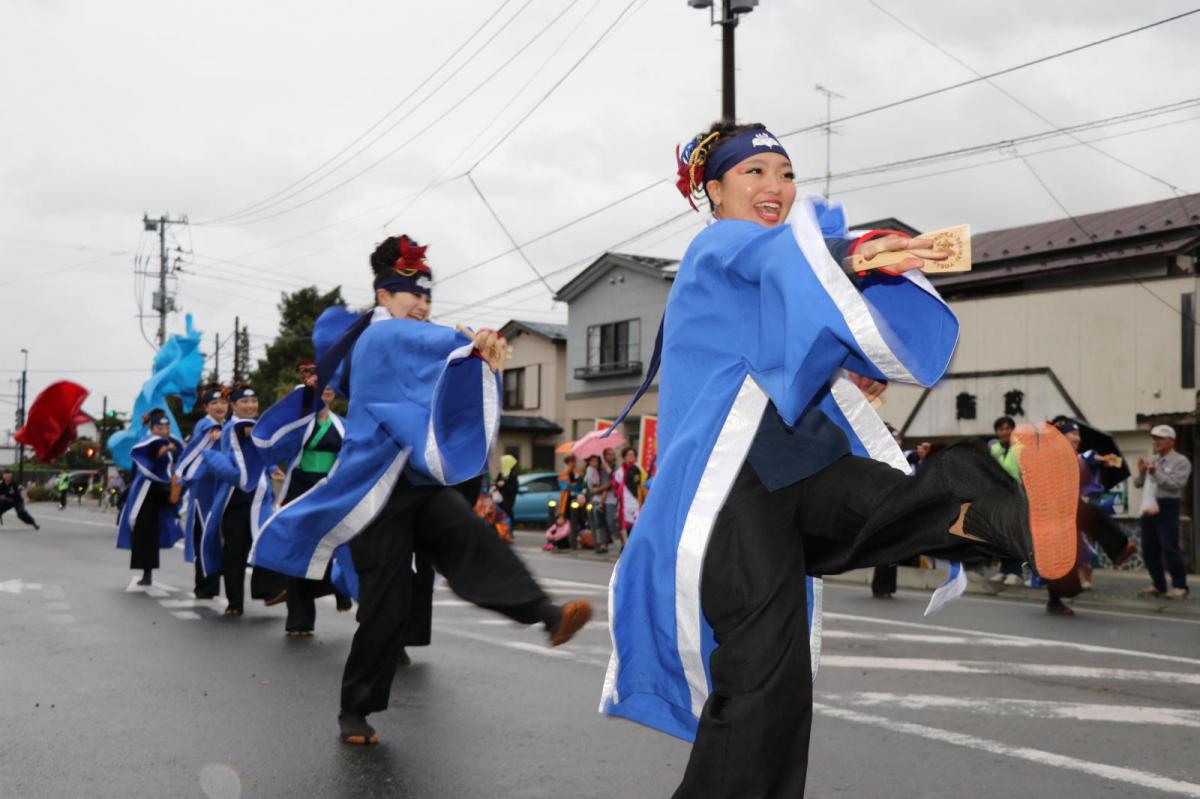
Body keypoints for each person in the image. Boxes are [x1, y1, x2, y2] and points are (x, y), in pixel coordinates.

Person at [601, 121, 1080, 798]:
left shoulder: (768, 262)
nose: (776, 187)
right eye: (756, 172)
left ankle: (1014, 519)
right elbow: (785, 264)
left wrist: (850, 357)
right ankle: (1006, 518)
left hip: (803, 464)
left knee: (900, 501)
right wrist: (852, 255)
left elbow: (799, 325)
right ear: (713, 190)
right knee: (766, 680)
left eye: (786, 173)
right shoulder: (718, 247)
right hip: (733, 495)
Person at [248, 234, 591, 746]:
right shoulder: (379, 339)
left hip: (418, 484)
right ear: (383, 296)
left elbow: (443, 374)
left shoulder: (416, 338)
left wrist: (467, 351)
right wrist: (469, 341)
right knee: (388, 606)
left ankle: (546, 614)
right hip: (373, 493)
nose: (422, 304)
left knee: (472, 541)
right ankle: (355, 711)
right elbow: (427, 345)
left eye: (428, 296)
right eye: (412, 294)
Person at [266, 369, 355, 637]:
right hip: (299, 490)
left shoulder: (345, 425)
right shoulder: (298, 423)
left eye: (330, 385)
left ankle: (337, 585)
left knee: (334, 547)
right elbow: (276, 447)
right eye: (320, 385)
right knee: (298, 553)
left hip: (331, 490)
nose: (327, 389)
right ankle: (299, 620)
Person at [199, 384, 286, 616]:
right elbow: (248, 432)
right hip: (235, 498)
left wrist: (273, 467)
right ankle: (235, 601)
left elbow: (262, 453)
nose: (250, 406)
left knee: (264, 538)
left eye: (254, 401)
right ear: (234, 406)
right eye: (244, 402)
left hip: (260, 497)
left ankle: (267, 590)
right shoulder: (234, 427)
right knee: (235, 552)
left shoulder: (256, 427)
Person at [115, 410, 184, 585]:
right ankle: (147, 572)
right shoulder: (149, 442)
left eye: (166, 427)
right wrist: (165, 449)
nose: (163, 430)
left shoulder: (171, 442)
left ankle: (149, 569)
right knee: (146, 531)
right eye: (159, 427)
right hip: (146, 491)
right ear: (152, 429)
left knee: (164, 523)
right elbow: (155, 453)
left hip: (163, 489)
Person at [176, 385, 228, 599]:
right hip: (204, 489)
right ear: (206, 407)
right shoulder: (205, 425)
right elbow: (197, 455)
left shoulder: (229, 426)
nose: (219, 407)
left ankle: (212, 583)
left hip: (223, 487)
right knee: (205, 535)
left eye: (223, 403)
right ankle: (204, 584)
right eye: (214, 403)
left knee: (218, 537)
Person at [1134, 424, 1191, 599]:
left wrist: (1155, 473)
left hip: (1167, 505)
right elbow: (1138, 484)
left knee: (1170, 547)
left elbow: (1176, 485)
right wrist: (1142, 473)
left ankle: (1180, 586)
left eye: (1160, 439)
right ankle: (1158, 584)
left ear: (1171, 441)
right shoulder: (1154, 459)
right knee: (1149, 549)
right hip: (1148, 504)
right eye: (1154, 439)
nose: (1156, 442)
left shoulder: (1181, 461)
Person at [988, 415, 1025, 586]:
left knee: (1014, 535)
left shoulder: (1021, 448)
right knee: (1000, 535)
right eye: (1001, 429)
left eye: (1008, 428)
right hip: (997, 496)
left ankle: (1015, 571)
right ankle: (1003, 570)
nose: (1005, 431)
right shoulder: (993, 448)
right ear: (997, 432)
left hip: (1016, 495)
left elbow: (1016, 470)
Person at [584, 454, 614, 554]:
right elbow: (593, 488)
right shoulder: (590, 470)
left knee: (603, 522)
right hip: (596, 499)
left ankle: (603, 542)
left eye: (596, 461)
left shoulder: (598, 470)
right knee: (598, 522)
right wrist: (603, 488)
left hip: (601, 498)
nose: (595, 463)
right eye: (593, 461)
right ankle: (600, 543)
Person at [611, 446, 642, 538]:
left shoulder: (638, 469)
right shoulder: (619, 472)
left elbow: (641, 485)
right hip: (624, 501)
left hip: (636, 500)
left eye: (633, 454)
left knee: (637, 523)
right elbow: (615, 486)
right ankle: (625, 545)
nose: (631, 456)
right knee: (623, 524)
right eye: (628, 454)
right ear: (624, 457)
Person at [556, 453, 586, 546]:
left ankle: (579, 537)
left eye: (573, 461)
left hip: (578, 498)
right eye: (569, 462)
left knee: (580, 519)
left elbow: (582, 485)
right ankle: (567, 538)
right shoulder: (563, 475)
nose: (572, 464)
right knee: (567, 519)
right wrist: (569, 482)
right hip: (567, 500)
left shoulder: (579, 473)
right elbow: (564, 487)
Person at [493, 454, 520, 521]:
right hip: (500, 499)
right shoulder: (501, 474)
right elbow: (496, 483)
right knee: (500, 513)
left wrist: (504, 484)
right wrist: (498, 484)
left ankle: (509, 526)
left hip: (508, 499)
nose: (502, 464)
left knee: (507, 512)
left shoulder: (512, 475)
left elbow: (515, 488)